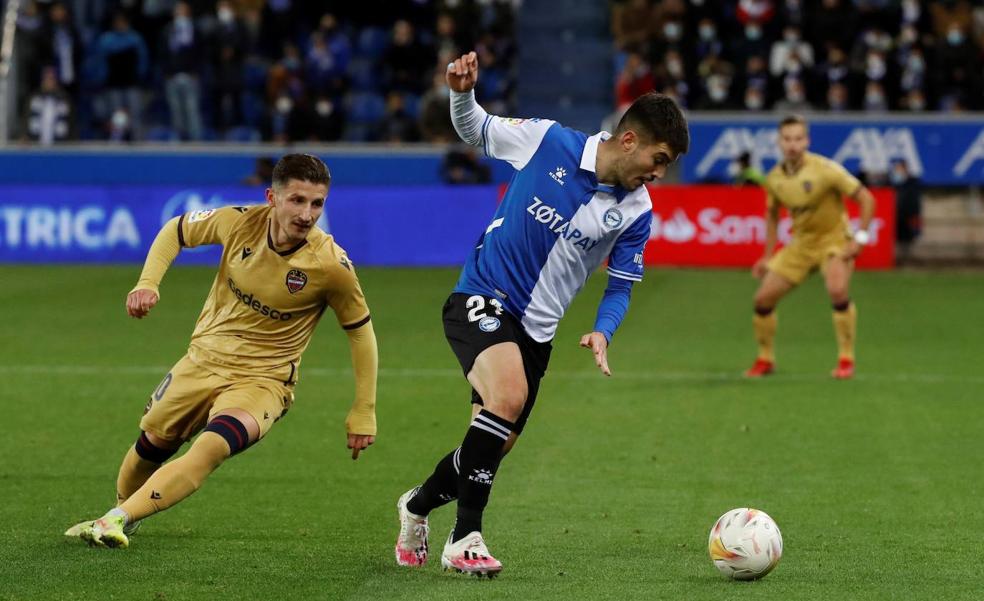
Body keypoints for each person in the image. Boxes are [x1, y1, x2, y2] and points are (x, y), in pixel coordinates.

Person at [394, 51, 689, 577]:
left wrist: (604, 329)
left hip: (537, 333)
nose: (660, 174)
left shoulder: (637, 210)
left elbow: (621, 285)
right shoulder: (547, 140)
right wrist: (462, 93)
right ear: (629, 140)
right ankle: (464, 539)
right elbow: (475, 129)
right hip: (481, 296)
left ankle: (416, 506)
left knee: (488, 447)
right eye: (659, 158)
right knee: (507, 398)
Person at [65, 154, 378, 548]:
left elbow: (361, 333)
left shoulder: (331, 265)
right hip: (201, 362)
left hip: (263, 381)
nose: (307, 213)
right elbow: (175, 230)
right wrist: (148, 283)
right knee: (148, 449)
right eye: (297, 200)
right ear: (272, 198)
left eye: (317, 204)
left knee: (211, 448)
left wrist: (363, 409)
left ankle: (117, 518)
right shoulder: (239, 222)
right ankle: (118, 512)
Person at [745, 115, 876, 380]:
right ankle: (765, 359)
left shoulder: (827, 170)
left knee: (838, 290)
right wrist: (767, 256)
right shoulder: (775, 178)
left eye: (798, 138)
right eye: (787, 139)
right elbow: (771, 215)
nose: (793, 144)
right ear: (779, 142)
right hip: (801, 245)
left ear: (807, 140)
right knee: (762, 300)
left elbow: (866, 198)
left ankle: (846, 359)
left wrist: (859, 239)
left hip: (834, 240)